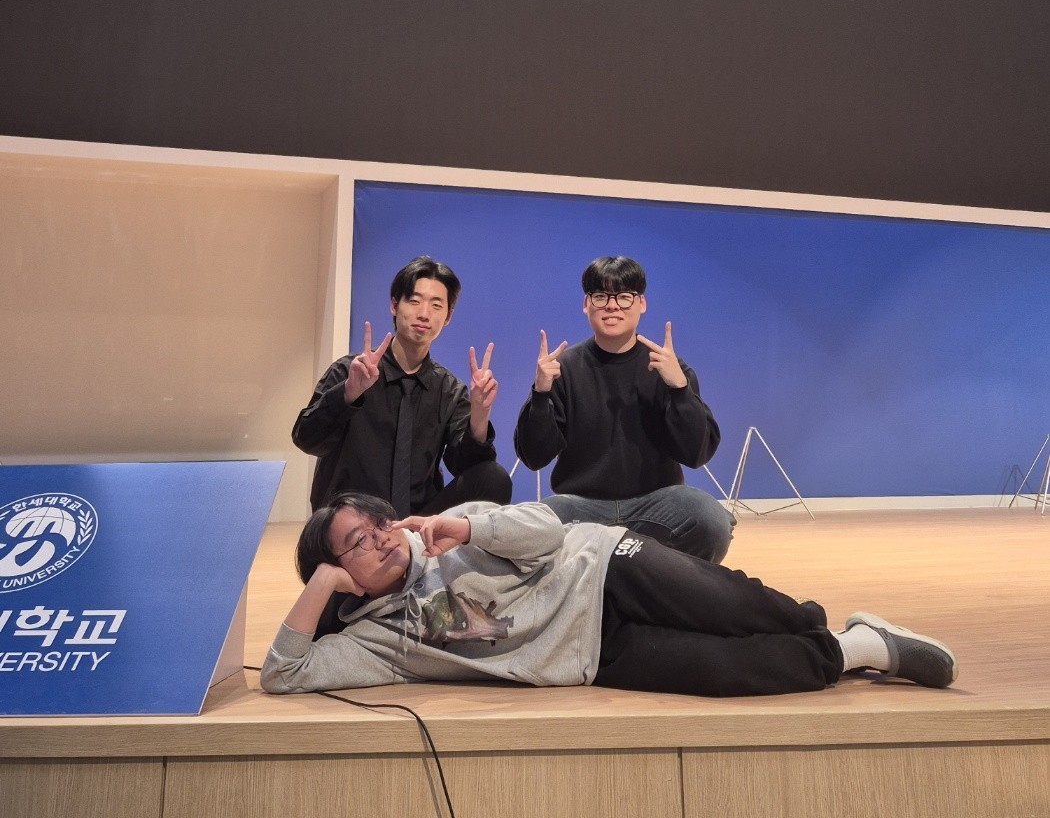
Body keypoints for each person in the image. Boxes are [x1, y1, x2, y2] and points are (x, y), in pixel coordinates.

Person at [260, 494, 959, 697]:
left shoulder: (447, 528)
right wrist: (321, 585)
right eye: (356, 542)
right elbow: (284, 673)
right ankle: (860, 646)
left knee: (739, 608)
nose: (381, 538)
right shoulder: (379, 640)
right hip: (592, 652)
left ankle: (819, 626)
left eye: (377, 522)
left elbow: (546, 532)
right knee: (731, 672)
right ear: (337, 573)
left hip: (603, 566)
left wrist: (471, 526)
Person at [513, 255, 735, 564]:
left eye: (624, 296)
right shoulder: (562, 368)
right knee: (529, 528)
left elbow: (697, 454)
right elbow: (534, 457)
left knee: (710, 519)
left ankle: (662, 582)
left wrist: (679, 389)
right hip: (581, 506)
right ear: (586, 304)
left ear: (641, 303)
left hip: (655, 505)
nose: (612, 306)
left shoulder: (667, 368)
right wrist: (540, 395)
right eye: (601, 296)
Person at [293, 256, 512, 516]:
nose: (424, 314)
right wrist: (348, 393)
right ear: (394, 305)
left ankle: (418, 539)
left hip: (416, 523)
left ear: (448, 317)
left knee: (494, 478)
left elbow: (465, 466)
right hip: (352, 517)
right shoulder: (350, 371)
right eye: (414, 301)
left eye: (436, 305)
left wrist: (479, 416)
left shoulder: (449, 390)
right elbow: (307, 440)